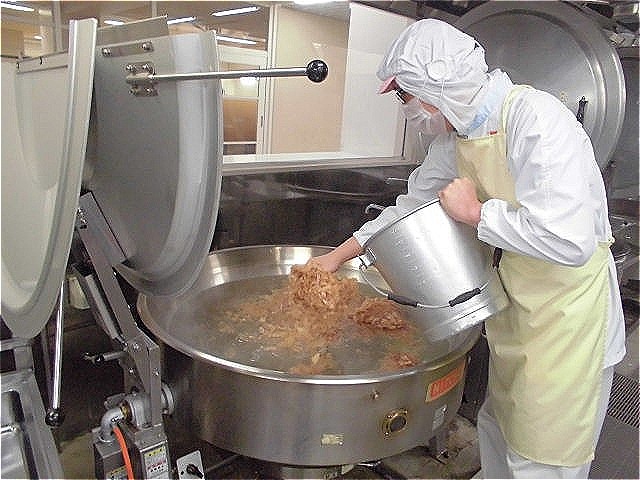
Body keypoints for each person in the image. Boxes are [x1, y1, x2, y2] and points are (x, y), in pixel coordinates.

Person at [309, 19, 626, 479]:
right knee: (500, 431)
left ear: (435, 87)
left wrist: (476, 214)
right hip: (521, 310)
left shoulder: (535, 119)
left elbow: (569, 241)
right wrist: (338, 257)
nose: (405, 109)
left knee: (543, 458)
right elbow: (410, 207)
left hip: (569, 322)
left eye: (404, 96)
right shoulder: (459, 138)